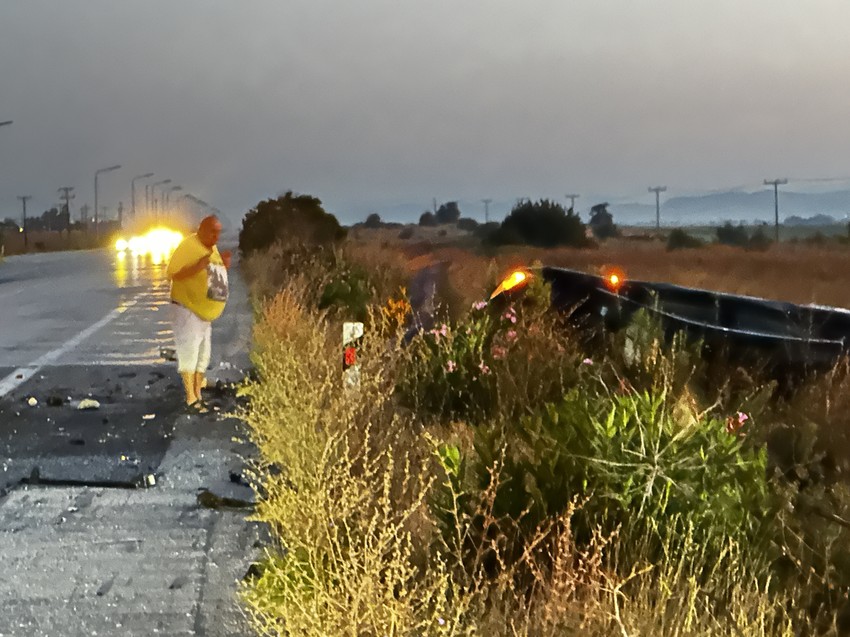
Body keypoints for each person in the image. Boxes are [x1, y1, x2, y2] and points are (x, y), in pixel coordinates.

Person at [166, 215, 232, 412]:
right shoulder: (189, 245)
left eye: (218, 232)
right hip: (187, 308)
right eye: (212, 231)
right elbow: (173, 273)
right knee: (189, 352)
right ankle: (191, 398)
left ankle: (198, 392)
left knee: (203, 355)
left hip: (204, 312)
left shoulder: (211, 248)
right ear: (201, 229)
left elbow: (212, 272)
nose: (216, 236)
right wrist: (197, 267)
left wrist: (224, 265)